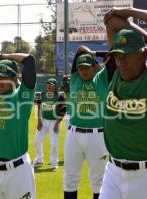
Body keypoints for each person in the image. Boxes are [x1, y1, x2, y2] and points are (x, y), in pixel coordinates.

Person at [99, 7, 147, 199]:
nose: (121, 62)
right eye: (117, 55)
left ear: (143, 54)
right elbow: (111, 21)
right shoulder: (113, 73)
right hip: (113, 174)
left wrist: (128, 10)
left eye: (127, 55)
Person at [0, 52, 36, 199]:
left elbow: (29, 61)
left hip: (17, 171)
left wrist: (3, 55)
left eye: (2, 77)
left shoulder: (21, 97)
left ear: (14, 79)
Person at [63, 52, 108, 199]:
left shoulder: (102, 79)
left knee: (98, 179)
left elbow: (111, 57)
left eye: (87, 67)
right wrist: (83, 53)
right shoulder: (75, 79)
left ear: (94, 67)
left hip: (98, 135)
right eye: (81, 68)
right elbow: (79, 52)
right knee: (70, 178)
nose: (83, 71)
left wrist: (93, 53)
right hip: (73, 135)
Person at [33, 78, 65, 169]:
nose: (49, 86)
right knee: (36, 141)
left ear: (55, 86)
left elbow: (63, 111)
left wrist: (57, 124)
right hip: (44, 121)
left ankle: (54, 163)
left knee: (54, 143)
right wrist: (39, 122)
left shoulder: (59, 96)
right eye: (48, 84)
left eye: (51, 85)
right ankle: (39, 159)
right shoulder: (42, 95)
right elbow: (39, 108)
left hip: (55, 121)